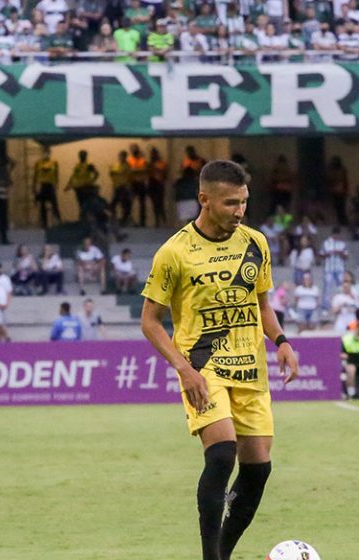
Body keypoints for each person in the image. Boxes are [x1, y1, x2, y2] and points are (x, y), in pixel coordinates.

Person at [140, 159, 298, 560]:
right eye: (230, 203)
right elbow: (150, 322)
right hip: (204, 366)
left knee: (258, 469)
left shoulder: (255, 243)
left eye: (244, 202)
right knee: (222, 453)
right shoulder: (174, 252)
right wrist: (184, 369)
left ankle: (223, 554)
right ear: (203, 199)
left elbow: (261, 304)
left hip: (251, 367)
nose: (240, 211)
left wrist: (281, 340)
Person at [32, 147, 62, 229]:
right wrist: (34, 188)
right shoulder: (38, 163)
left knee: (54, 204)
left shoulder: (54, 163)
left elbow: (56, 175)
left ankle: (59, 221)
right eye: (44, 152)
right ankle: (44, 224)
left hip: (50, 186)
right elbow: (35, 176)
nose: (46, 154)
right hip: (42, 185)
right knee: (42, 206)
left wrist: (56, 185)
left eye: (47, 152)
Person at [319, 227, 348, 311]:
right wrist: (328, 254)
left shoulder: (342, 244)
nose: (336, 236)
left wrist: (340, 253)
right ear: (332, 234)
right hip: (329, 268)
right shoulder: (326, 243)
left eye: (338, 234)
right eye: (335, 234)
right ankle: (325, 307)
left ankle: (341, 305)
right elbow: (321, 255)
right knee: (327, 288)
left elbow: (346, 256)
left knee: (341, 288)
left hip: (339, 268)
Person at [65, 150, 99, 218]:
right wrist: (68, 185)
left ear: (86, 156)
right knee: (81, 204)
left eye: (83, 155)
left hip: (87, 188)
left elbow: (96, 174)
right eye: (80, 155)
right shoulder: (77, 166)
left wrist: (91, 181)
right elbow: (73, 176)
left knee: (87, 204)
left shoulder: (89, 165)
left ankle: (89, 219)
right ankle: (83, 220)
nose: (82, 157)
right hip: (79, 188)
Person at [326, 156, 349, 226]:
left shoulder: (342, 170)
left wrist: (345, 190)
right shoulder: (330, 170)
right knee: (335, 207)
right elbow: (329, 180)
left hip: (341, 191)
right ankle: (337, 222)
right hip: (334, 191)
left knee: (341, 207)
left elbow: (345, 181)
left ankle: (343, 222)